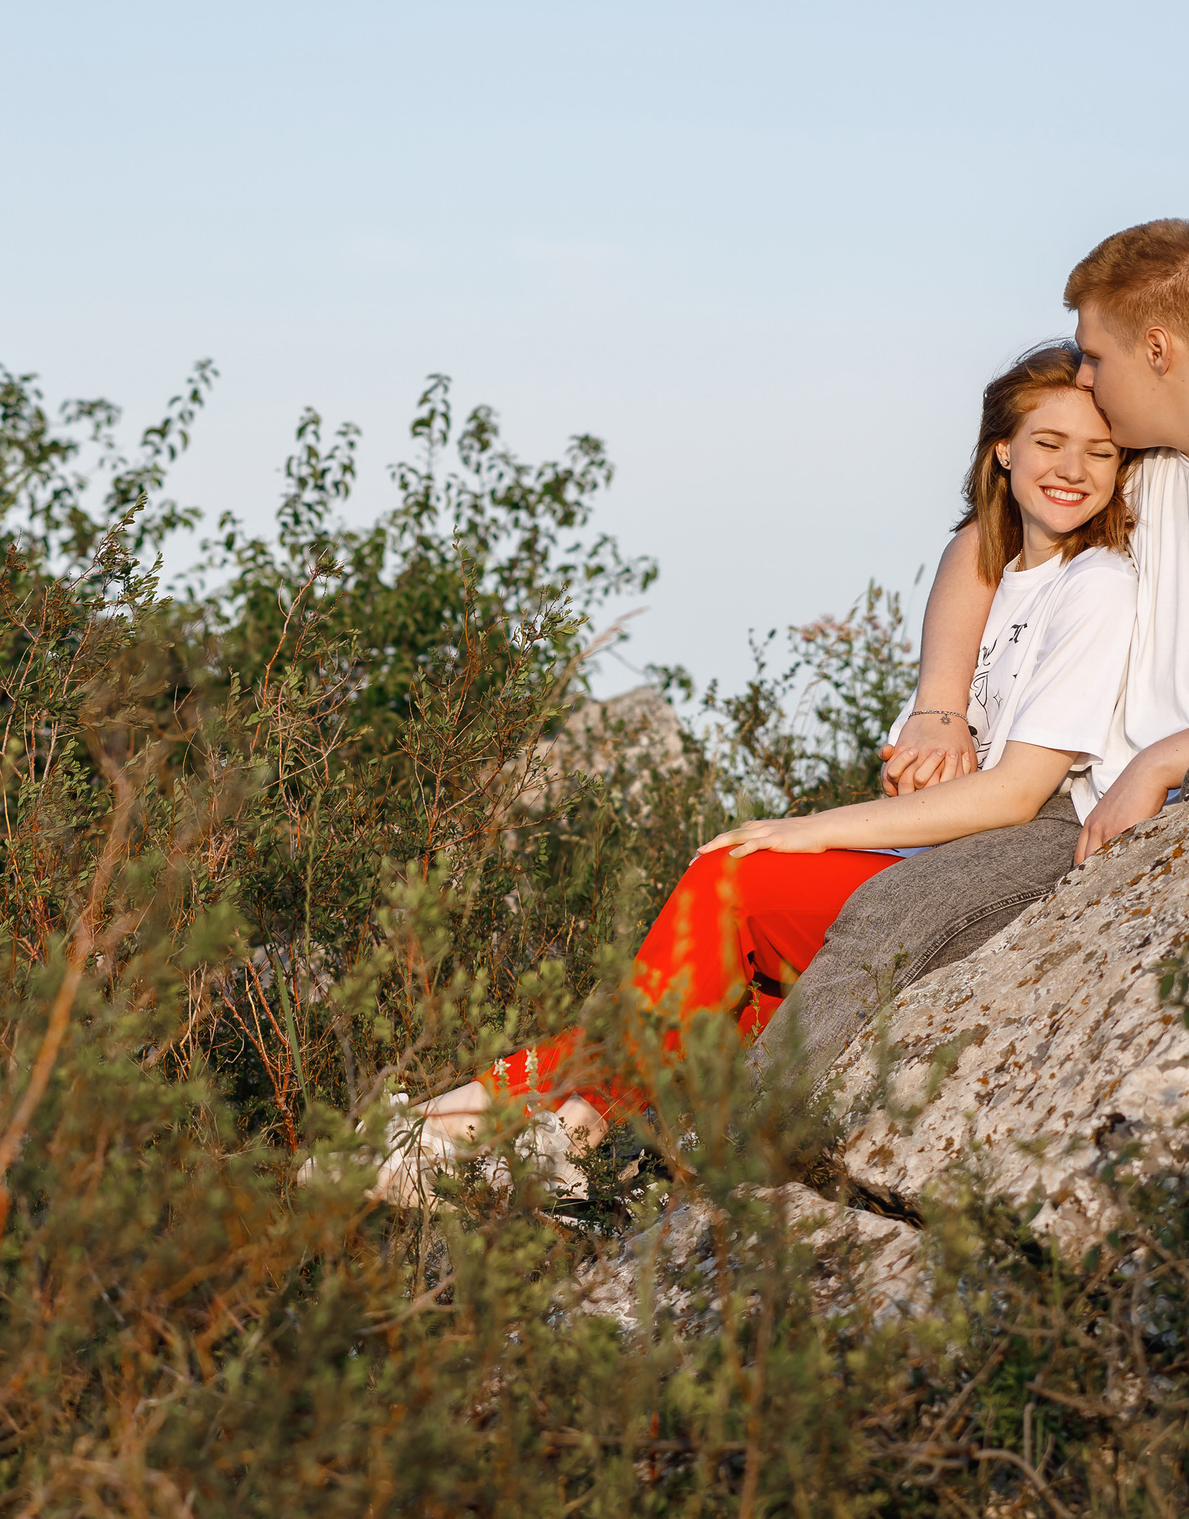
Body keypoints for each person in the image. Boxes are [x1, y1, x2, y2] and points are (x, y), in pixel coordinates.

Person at [359, 340, 1142, 1205]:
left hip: (999, 875)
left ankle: (541, 1129)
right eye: (1049, 443)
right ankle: (469, 1125)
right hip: (940, 862)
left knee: (731, 880)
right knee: (716, 987)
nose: (1073, 469)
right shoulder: (995, 575)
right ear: (1002, 447)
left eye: (1100, 453)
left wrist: (803, 829)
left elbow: (1016, 793)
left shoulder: (1095, 584)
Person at [789, 217, 1189, 1073]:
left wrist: (1161, 761)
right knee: (883, 906)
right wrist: (939, 707)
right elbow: (986, 538)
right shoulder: (1148, 458)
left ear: (1158, 349)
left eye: (1095, 354)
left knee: (902, 914)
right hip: (1092, 807)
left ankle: (729, 1155)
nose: (1084, 374)